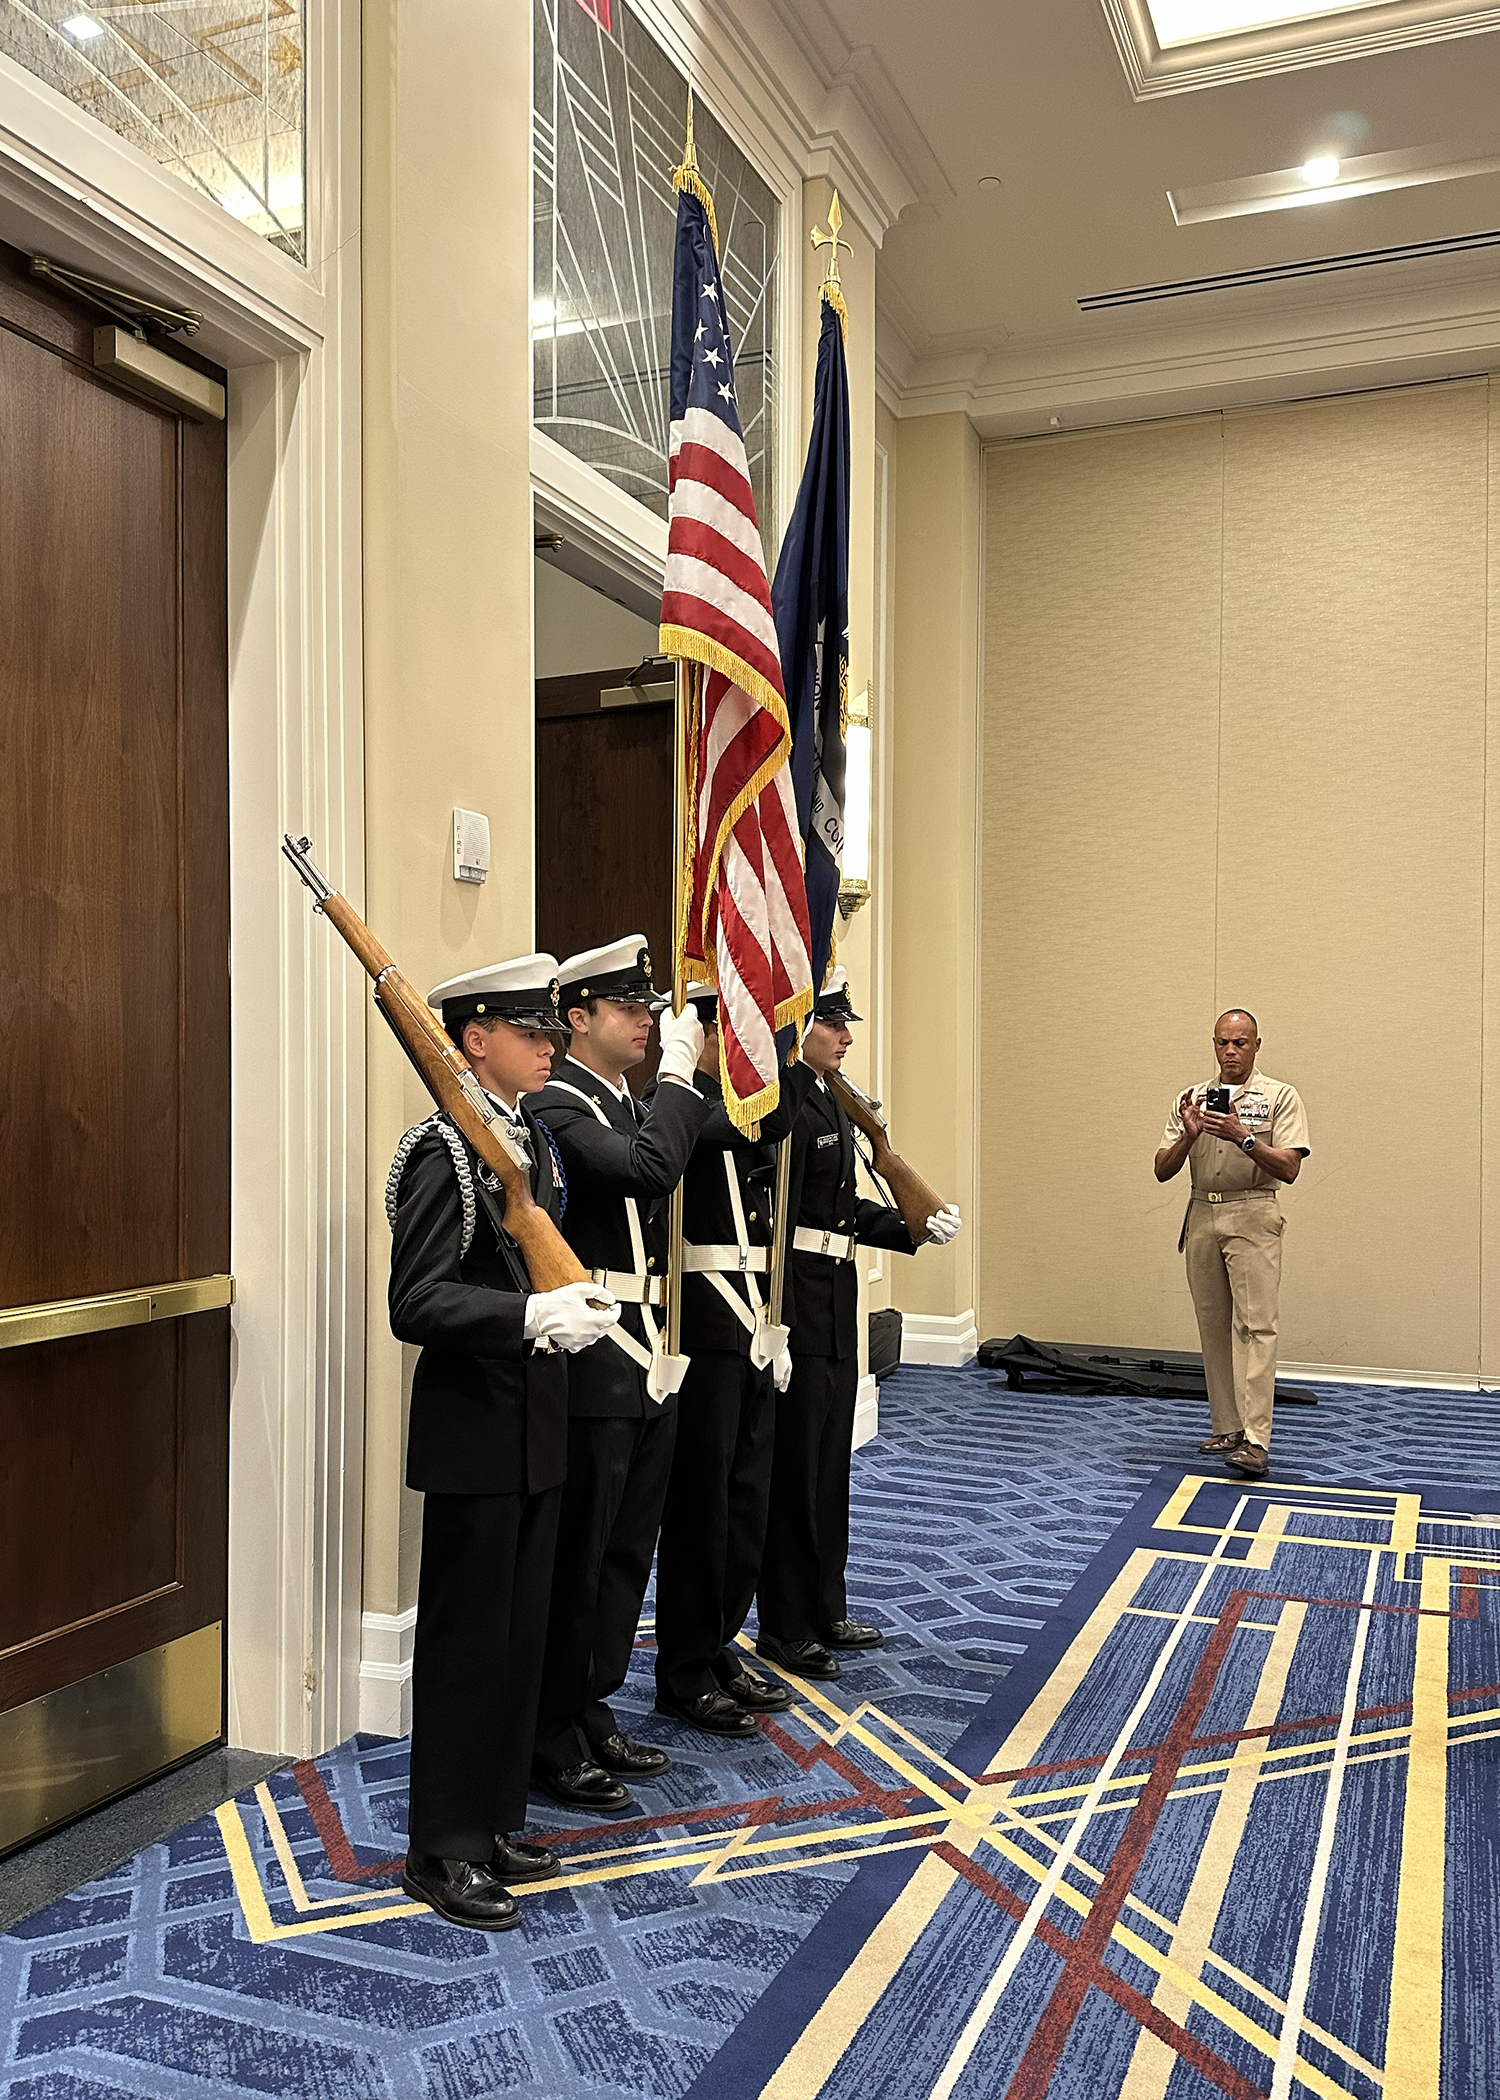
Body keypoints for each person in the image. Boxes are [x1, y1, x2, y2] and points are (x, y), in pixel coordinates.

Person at [387, 954, 619, 1931]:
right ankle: (442, 1846)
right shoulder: (441, 1150)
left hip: (537, 1424)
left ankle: (491, 1822)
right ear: (473, 1035)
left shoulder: (531, 1146)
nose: (549, 1046)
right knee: (464, 1644)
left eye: (551, 1031)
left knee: (520, 1639)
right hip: (474, 1431)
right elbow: (418, 1300)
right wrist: (529, 1317)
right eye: (530, 1031)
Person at [527, 937, 713, 1811]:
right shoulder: (561, 1109)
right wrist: (680, 1076)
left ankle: (590, 1702)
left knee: (626, 1553)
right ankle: (551, 1727)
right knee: (584, 1557)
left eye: (649, 1009)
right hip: (598, 1360)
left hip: (649, 1356)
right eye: (628, 1008)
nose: (647, 1019)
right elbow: (650, 1173)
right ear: (578, 1020)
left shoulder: (624, 1103)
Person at [756, 969, 962, 1683]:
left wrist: (912, 1225)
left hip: (836, 1296)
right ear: (796, 1026)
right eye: (831, 1024)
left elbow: (842, 1210)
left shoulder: (833, 1102)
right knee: (794, 1469)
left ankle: (824, 1604)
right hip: (795, 1299)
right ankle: (785, 1623)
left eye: (845, 1025)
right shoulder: (783, 1100)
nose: (845, 1036)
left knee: (829, 1465)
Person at [651, 986, 815, 1738]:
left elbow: (774, 1121)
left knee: (746, 1501)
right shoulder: (684, 1106)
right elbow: (736, 1130)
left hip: (754, 1321)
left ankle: (719, 1643)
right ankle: (684, 1666)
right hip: (703, 1325)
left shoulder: (738, 1103)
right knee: (703, 1509)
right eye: (738, 1028)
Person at [1154, 1009, 1310, 1479]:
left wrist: (1243, 1138)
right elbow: (1162, 1169)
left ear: (1257, 1045)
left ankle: (1257, 1441)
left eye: (1240, 1043)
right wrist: (1189, 1135)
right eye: (1223, 1042)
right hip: (1202, 1212)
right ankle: (1228, 1426)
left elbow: (1289, 1168)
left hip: (1253, 1211)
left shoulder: (1280, 1096)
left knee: (1258, 1327)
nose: (1230, 1051)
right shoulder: (1192, 1099)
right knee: (1211, 1324)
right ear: (1214, 1044)